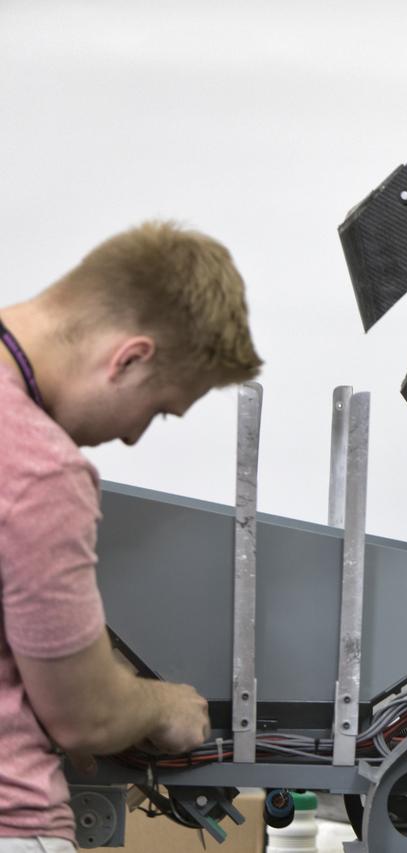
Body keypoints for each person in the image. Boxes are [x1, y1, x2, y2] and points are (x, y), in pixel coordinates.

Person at [0, 222, 263, 850]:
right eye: (158, 410)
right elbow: (86, 718)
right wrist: (160, 706)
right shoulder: (39, 469)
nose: (134, 437)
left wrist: (88, 668)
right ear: (131, 357)